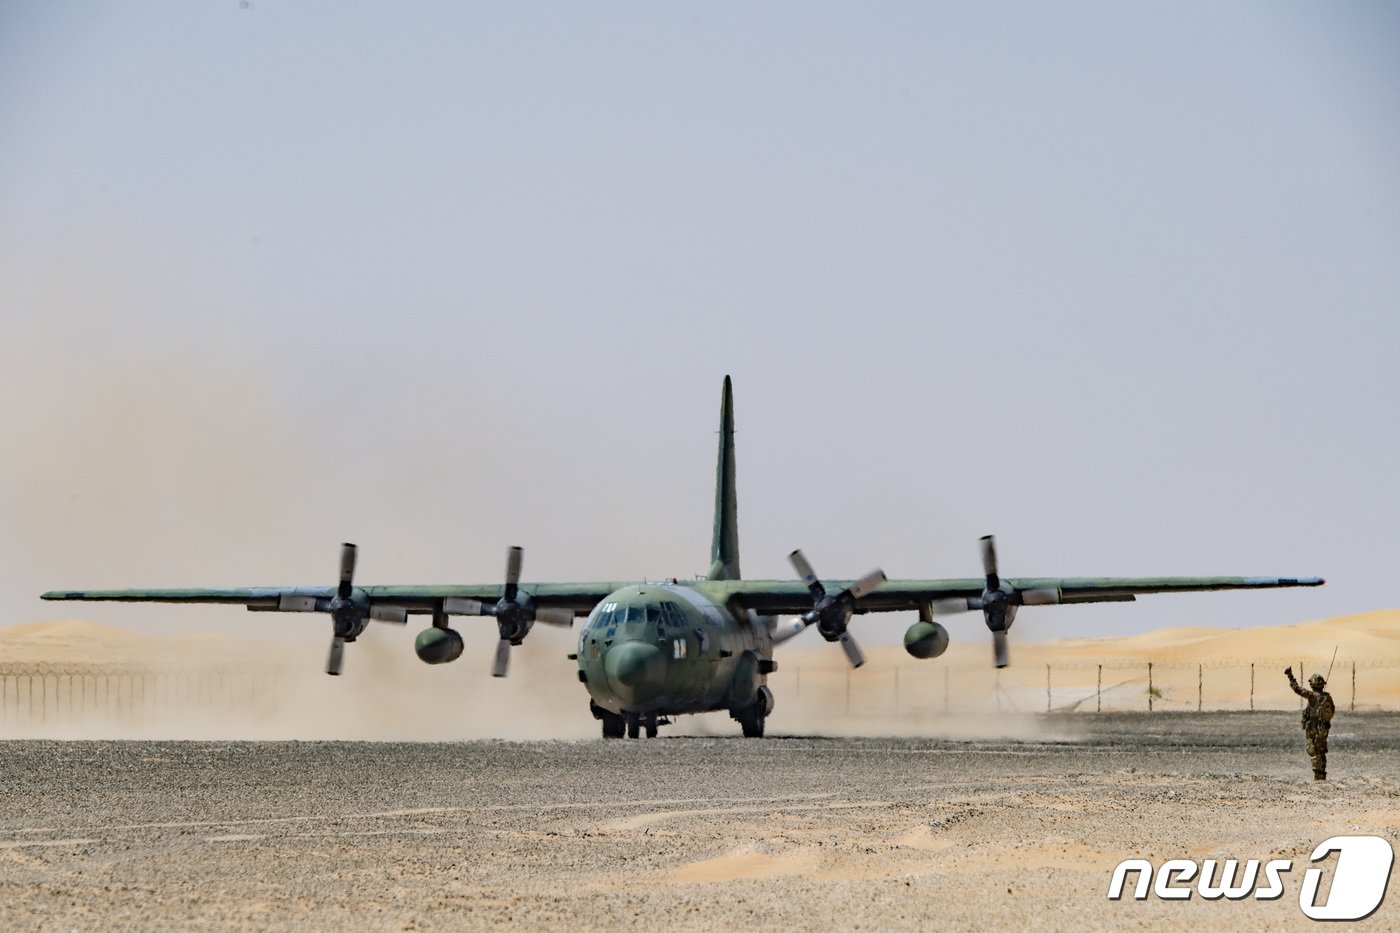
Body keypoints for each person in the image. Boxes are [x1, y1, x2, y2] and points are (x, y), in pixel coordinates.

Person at [1285, 667, 1335, 781]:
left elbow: (1297, 689)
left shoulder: (1312, 696)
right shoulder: (1328, 697)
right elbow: (1332, 711)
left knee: (1312, 748)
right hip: (1324, 727)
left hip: (1313, 727)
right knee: (1321, 749)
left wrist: (1290, 676)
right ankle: (1322, 774)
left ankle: (1318, 774)